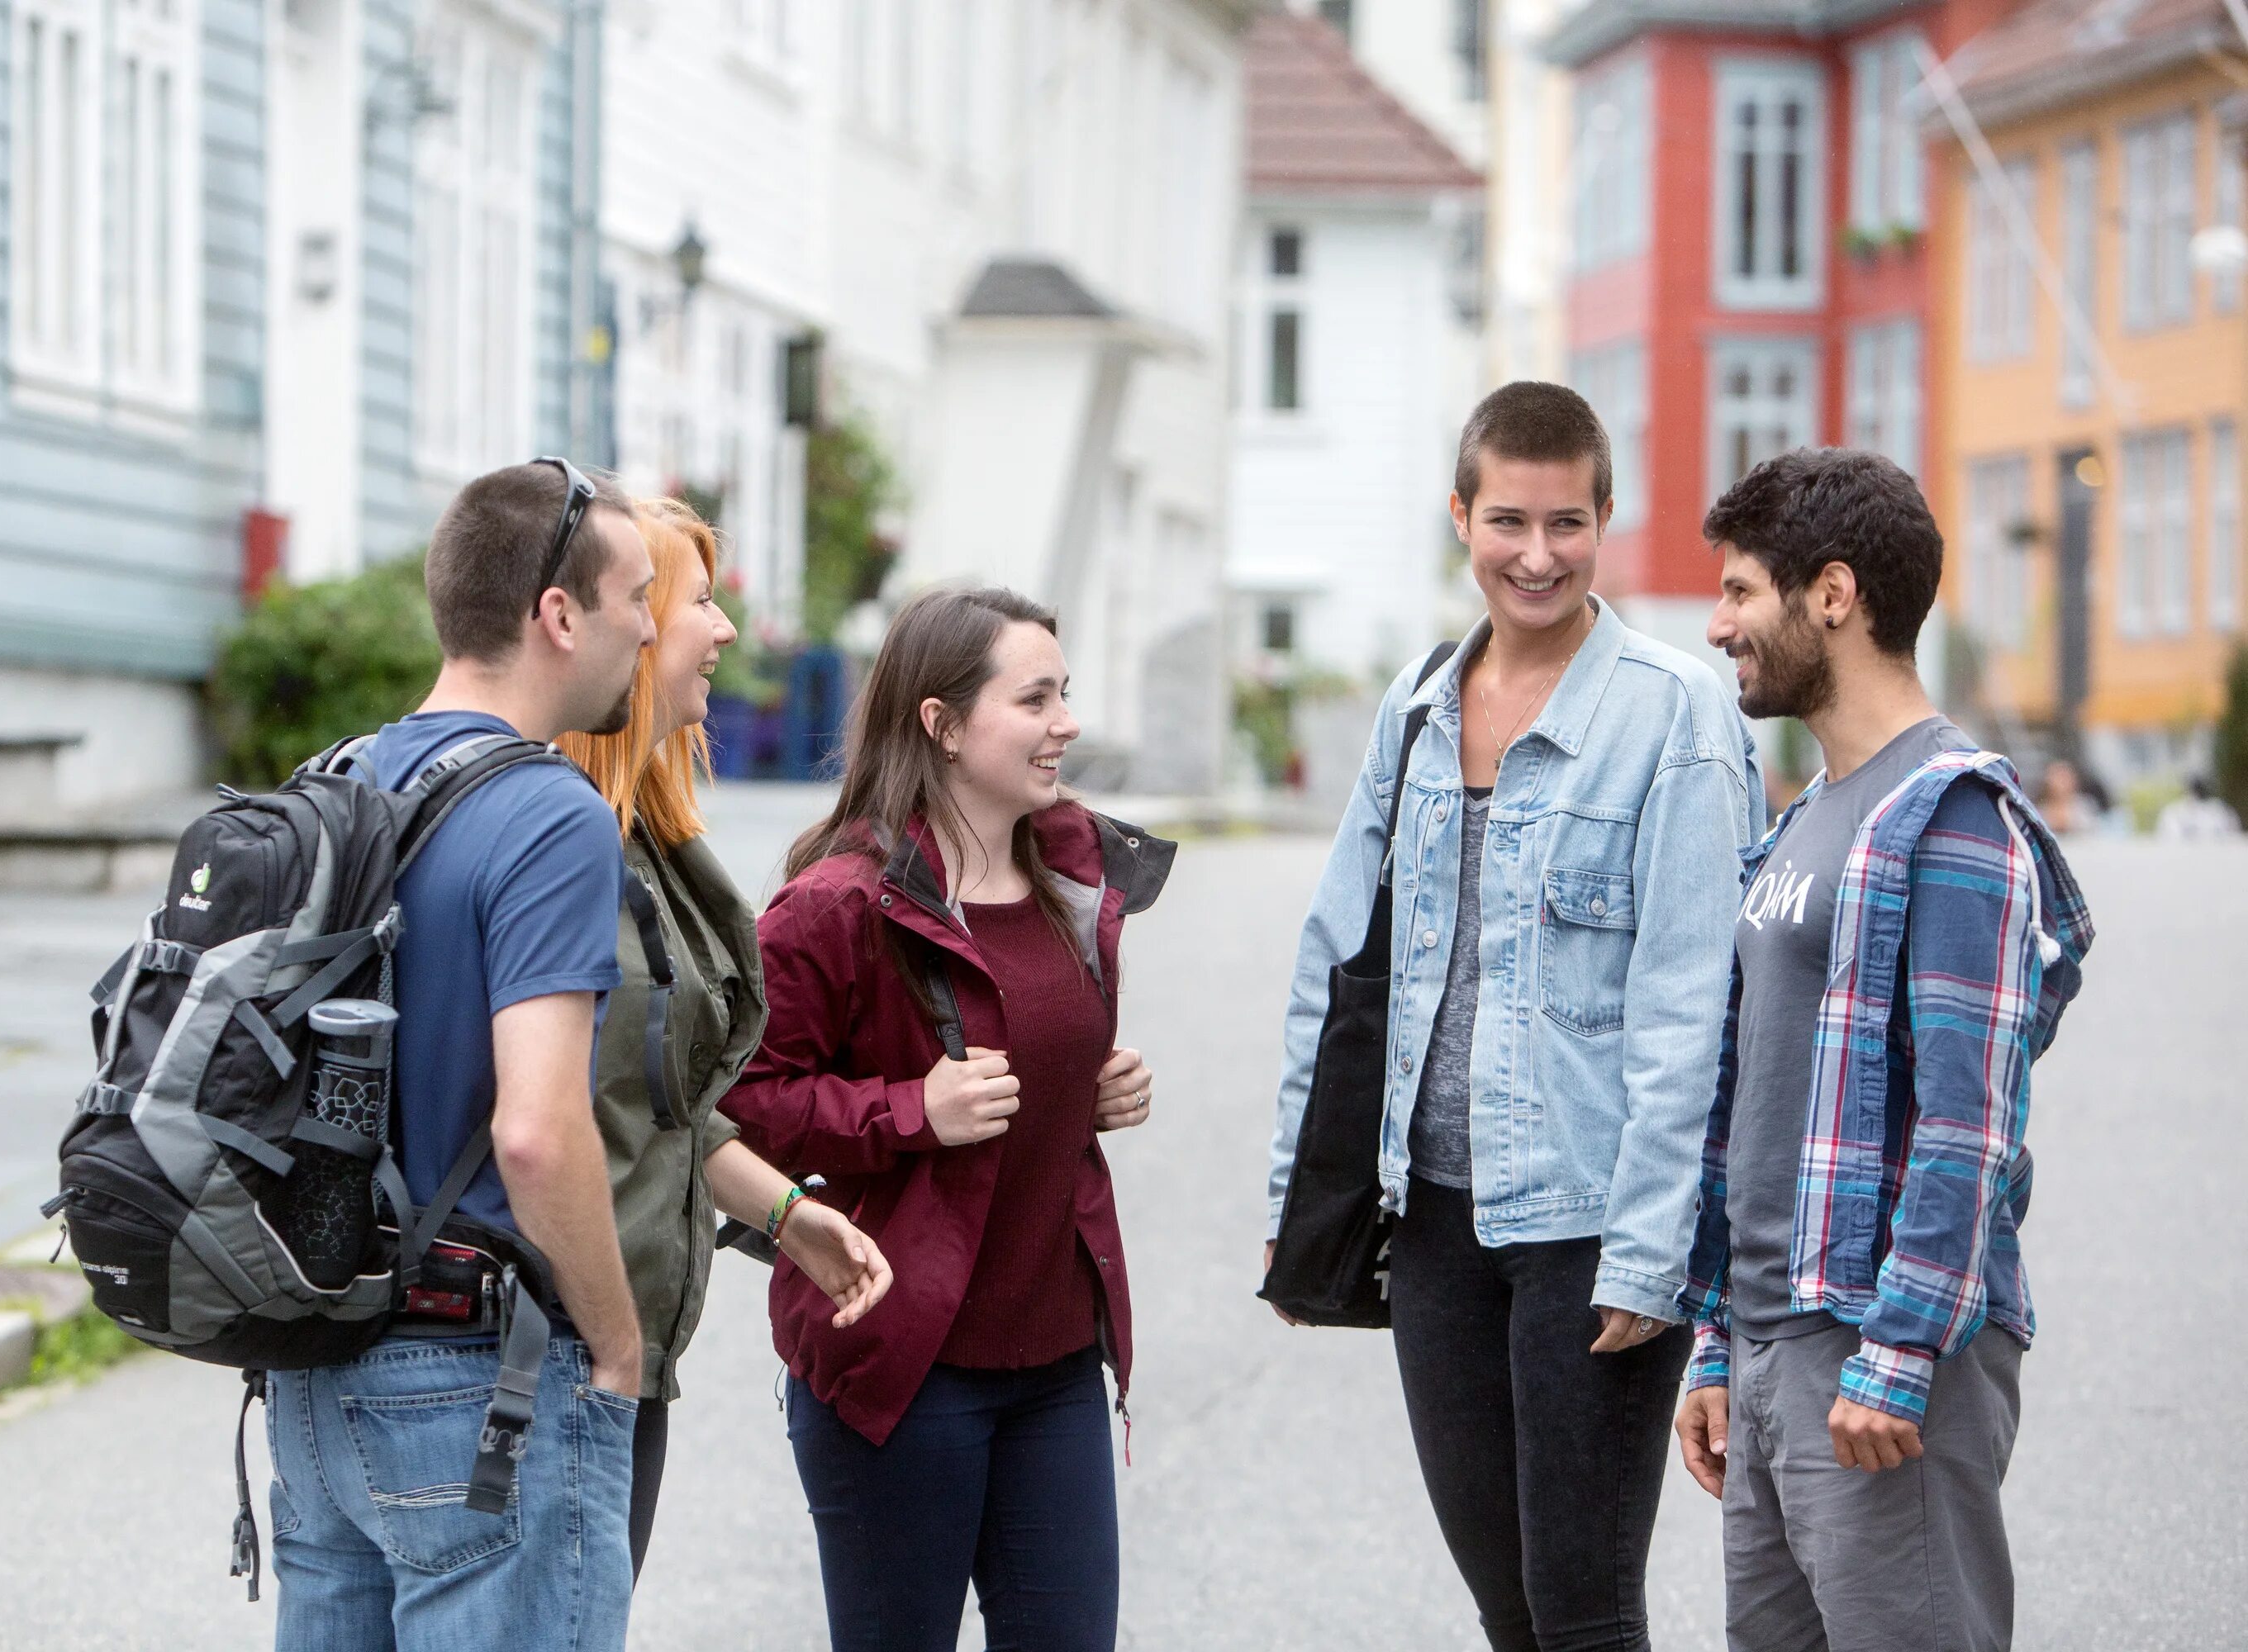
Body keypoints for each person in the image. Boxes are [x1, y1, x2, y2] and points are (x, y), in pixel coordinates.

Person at [1264, 382, 1765, 1652]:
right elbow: (1340, 962)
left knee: (1583, 1614)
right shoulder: (1420, 702)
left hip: (1589, 1230)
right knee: (1506, 1609)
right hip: (1435, 1222)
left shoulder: (1675, 716)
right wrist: (1300, 1207)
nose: (1535, 556)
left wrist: (1654, 1259)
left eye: (1565, 524)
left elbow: (1690, 1010)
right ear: (1460, 518)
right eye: (1506, 522)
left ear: (1606, 519)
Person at [1680, 447, 2095, 1652]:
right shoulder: (1805, 818)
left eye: (1742, 591)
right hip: (1770, 1346)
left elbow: (1972, 1120)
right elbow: (1761, 1102)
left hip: (1874, 1357)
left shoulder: (1952, 813)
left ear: (1833, 595)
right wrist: (1718, 1342)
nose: (1719, 625)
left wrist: (1902, 1349)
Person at [720, 586, 1175, 1652]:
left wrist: (1096, 1085)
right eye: (1035, 699)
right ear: (942, 722)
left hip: (1058, 1365)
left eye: (1066, 694)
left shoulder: (1071, 877)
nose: (1066, 721)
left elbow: (1033, 1055)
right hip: (903, 1371)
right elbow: (735, 1108)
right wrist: (907, 1111)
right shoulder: (836, 903)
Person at [264, 458, 655, 1651]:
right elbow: (536, 1131)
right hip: (471, 1383)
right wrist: (619, 1341)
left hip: (313, 1378)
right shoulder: (550, 815)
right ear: (558, 615)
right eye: (636, 595)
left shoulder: (335, 780)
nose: (648, 624)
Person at [553, 497, 892, 1579]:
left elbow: (662, 1111)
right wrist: (610, 1345)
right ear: (634, 625)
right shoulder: (557, 842)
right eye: (702, 600)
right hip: (558, 1350)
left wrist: (789, 1214)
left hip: (618, 1355)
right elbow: (558, 1117)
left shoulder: (647, 838)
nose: (727, 630)